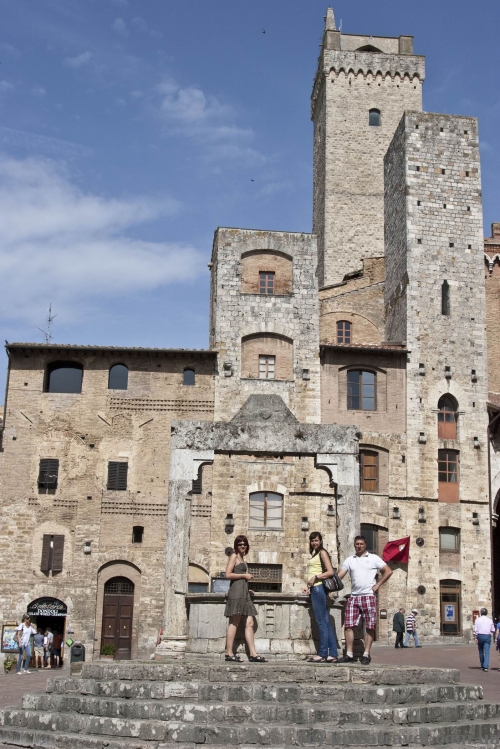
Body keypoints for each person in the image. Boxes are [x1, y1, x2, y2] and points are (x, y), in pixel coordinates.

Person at [337, 535, 392, 665]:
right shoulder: (350, 560)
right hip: (354, 596)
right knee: (349, 625)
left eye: (361, 544)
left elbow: (388, 571)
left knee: (370, 625)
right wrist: (326, 586)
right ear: (354, 545)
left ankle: (366, 654)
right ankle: (349, 654)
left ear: (365, 545)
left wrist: (378, 585)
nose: (359, 546)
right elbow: (339, 575)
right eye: (357, 544)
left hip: (368, 596)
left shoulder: (374, 558)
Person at [224, 535, 266, 663]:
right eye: (240, 544)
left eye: (244, 544)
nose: (242, 546)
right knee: (234, 622)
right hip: (236, 593)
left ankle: (253, 654)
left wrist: (247, 589)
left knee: (249, 623)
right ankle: (229, 653)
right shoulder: (234, 556)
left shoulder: (242, 558)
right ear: (236, 546)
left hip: (244, 593)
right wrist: (244, 575)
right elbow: (227, 574)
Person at [303, 531, 338, 663]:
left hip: (318, 588)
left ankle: (323, 653)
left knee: (321, 621)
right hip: (316, 588)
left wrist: (315, 578)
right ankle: (333, 653)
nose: (314, 543)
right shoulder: (315, 554)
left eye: (316, 540)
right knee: (325, 621)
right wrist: (309, 586)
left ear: (321, 541)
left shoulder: (322, 553)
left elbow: (330, 572)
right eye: (312, 541)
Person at [474, 607, 495, 672]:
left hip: (480, 635)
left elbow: (475, 630)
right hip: (487, 636)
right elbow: (493, 629)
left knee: (480, 651)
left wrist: (475, 637)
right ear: (486, 613)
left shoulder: (477, 620)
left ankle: (482, 664)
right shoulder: (490, 620)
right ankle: (485, 666)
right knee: (487, 651)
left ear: (481, 613)